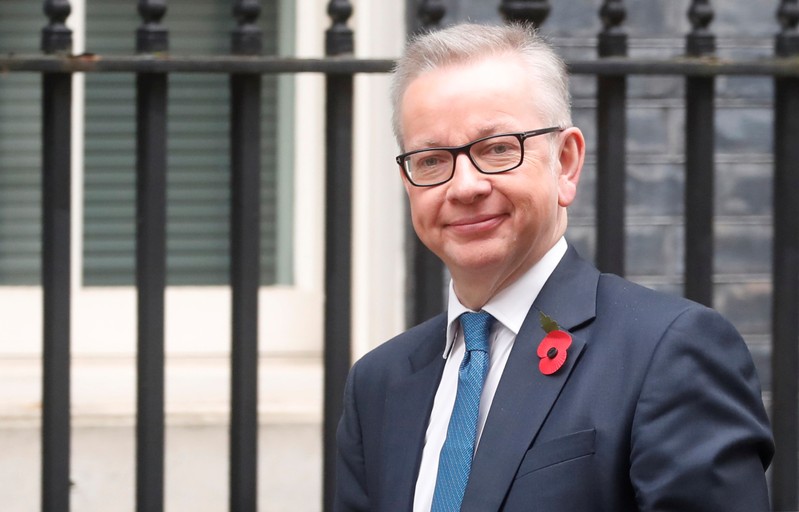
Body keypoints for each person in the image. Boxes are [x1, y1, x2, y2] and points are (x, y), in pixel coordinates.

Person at [334, 22, 773, 512]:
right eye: (433, 160)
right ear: (408, 180)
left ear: (565, 163)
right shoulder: (379, 384)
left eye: (497, 149)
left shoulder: (668, 353)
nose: (464, 186)